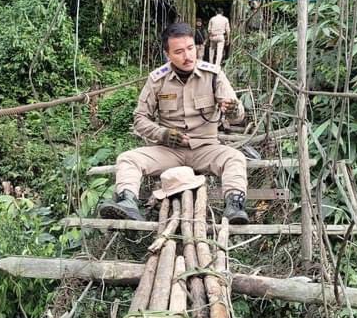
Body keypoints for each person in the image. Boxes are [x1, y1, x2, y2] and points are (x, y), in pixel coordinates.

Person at [99, 22, 249, 224]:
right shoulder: (157, 79)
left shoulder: (213, 76)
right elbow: (140, 119)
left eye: (190, 48)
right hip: (169, 151)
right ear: (167, 55)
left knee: (235, 158)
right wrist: (162, 134)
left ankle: (234, 207)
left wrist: (233, 110)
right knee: (128, 158)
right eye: (179, 52)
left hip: (206, 148)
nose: (187, 56)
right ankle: (127, 203)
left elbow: (238, 116)